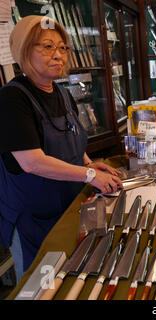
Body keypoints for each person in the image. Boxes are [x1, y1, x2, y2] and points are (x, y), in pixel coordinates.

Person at [0, 16, 123, 281]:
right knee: (38, 285)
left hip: (67, 209)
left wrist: (88, 163)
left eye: (62, 47)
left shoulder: (63, 94)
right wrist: (89, 175)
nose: (58, 55)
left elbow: (74, 140)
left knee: (69, 278)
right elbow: (32, 162)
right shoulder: (13, 98)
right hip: (31, 219)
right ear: (24, 50)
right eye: (46, 47)